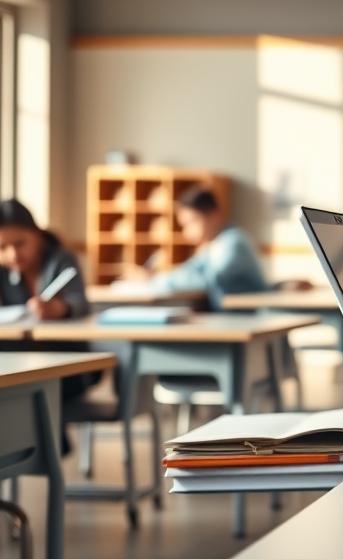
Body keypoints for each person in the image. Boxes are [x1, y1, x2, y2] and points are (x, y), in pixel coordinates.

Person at [0, 198, 95, 453]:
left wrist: (60, 309)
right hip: (22, 363)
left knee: (25, 387)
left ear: (37, 234)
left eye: (20, 243)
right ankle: (27, 450)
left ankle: (41, 449)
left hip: (68, 364)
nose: (13, 254)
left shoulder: (61, 259)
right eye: (3, 247)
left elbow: (80, 303)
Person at [120, 186, 273, 309]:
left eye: (192, 222)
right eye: (184, 225)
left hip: (252, 320)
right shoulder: (212, 246)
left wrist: (154, 280)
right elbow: (189, 270)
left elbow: (204, 279)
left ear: (214, 215)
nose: (187, 232)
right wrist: (152, 278)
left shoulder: (233, 243)